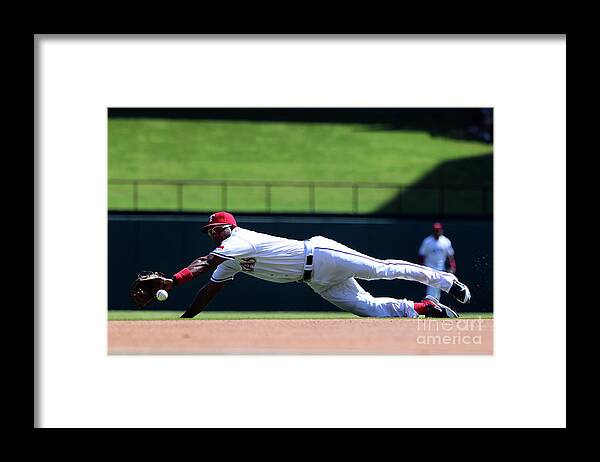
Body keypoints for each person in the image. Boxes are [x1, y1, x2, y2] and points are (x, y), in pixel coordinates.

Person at [156, 212, 471, 319]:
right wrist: (186, 320)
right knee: (369, 309)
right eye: (208, 232)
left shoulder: (238, 239)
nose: (211, 234)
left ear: (228, 228)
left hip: (321, 255)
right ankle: (424, 307)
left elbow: (204, 262)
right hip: (317, 279)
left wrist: (174, 281)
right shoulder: (230, 259)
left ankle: (446, 282)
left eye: (214, 229)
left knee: (381, 270)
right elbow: (209, 289)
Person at [418, 222, 457, 302]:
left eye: (438, 230)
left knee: (437, 288)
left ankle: (434, 306)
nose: (437, 232)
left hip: (440, 268)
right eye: (435, 230)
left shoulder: (446, 241)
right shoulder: (427, 241)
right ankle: (429, 304)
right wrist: (421, 267)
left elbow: (450, 256)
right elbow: (421, 255)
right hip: (429, 268)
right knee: (431, 287)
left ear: (441, 230)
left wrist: (453, 266)